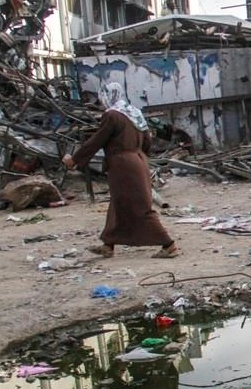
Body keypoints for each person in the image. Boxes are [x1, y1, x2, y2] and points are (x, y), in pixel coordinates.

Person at [63, 83, 179, 259]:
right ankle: (108, 244)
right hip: (138, 160)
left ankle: (168, 244)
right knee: (119, 203)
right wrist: (138, 156)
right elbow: (148, 141)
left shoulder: (112, 115)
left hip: (123, 165)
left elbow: (97, 140)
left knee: (139, 206)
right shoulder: (134, 112)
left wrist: (75, 160)